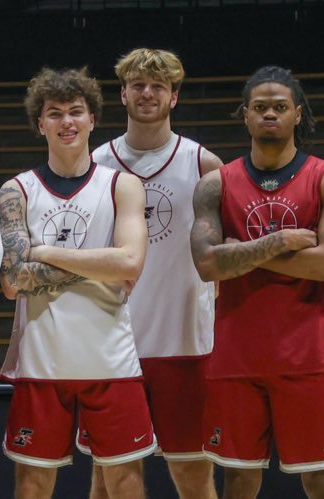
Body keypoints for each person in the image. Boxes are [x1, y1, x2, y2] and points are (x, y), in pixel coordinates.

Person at [190, 65, 324, 499]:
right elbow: (207, 265)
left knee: (321, 477)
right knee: (239, 478)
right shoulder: (215, 184)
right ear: (245, 115)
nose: (269, 114)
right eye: (260, 107)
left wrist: (242, 251)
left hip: (309, 353)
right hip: (237, 354)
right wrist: (280, 241)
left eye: (279, 107)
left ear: (297, 114)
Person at [0, 68, 152, 499]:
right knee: (32, 486)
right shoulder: (17, 191)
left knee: (126, 485)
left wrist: (43, 252)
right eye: (55, 113)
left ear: (92, 120)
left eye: (76, 112)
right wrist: (102, 262)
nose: (66, 121)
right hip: (42, 362)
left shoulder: (123, 184)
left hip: (112, 360)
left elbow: (131, 261)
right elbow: (12, 281)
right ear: (39, 123)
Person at [89, 48, 224, 499]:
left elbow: (220, 260)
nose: (148, 93)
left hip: (184, 342)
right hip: (112, 344)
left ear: (174, 97)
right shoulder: (96, 162)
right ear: (123, 93)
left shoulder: (204, 164)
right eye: (139, 85)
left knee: (193, 475)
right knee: (107, 479)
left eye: (158, 86)